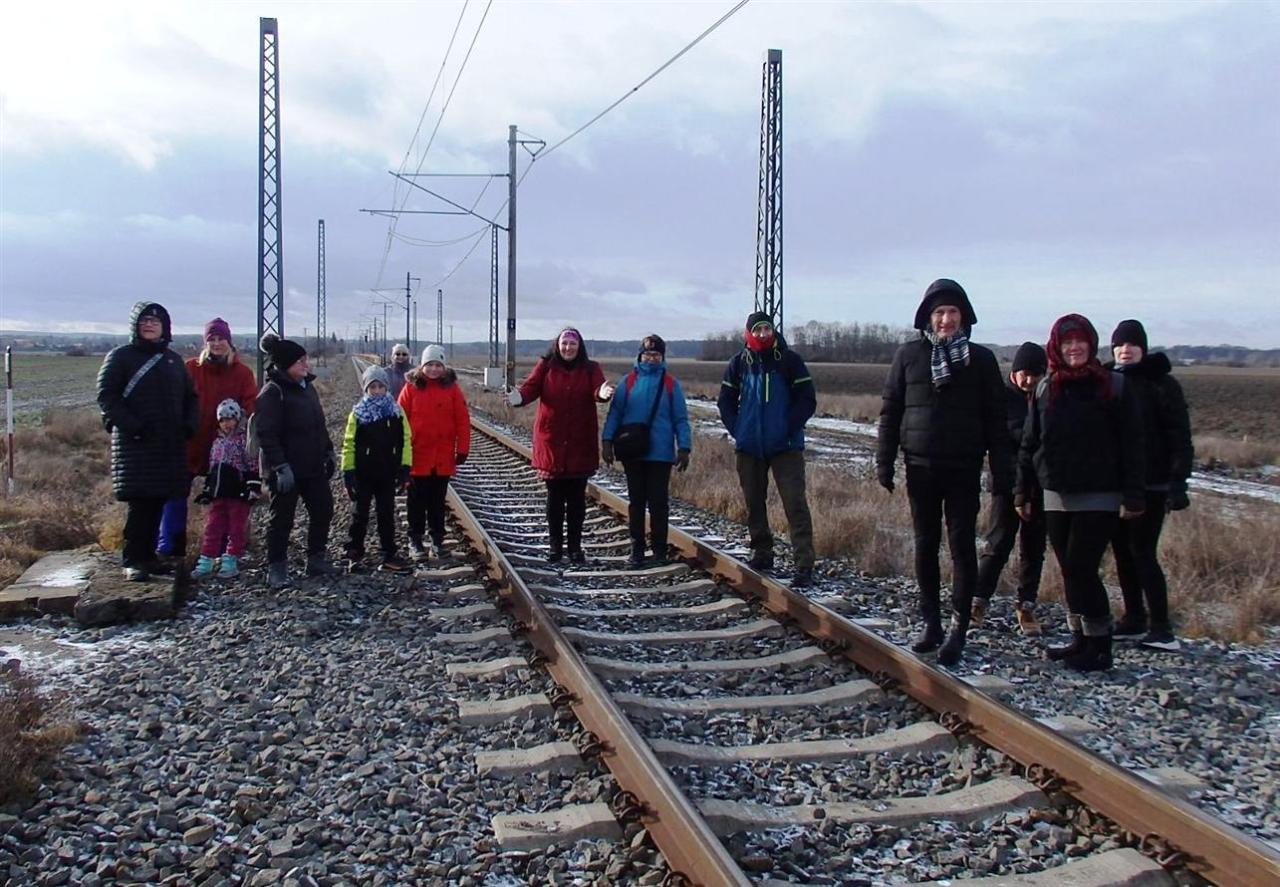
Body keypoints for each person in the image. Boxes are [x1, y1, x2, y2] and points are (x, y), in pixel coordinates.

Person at [876, 279, 1012, 666]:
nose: (946, 319)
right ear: (928, 317)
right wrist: (884, 461)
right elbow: (891, 411)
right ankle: (931, 622)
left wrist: (1002, 472)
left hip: (963, 468)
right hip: (920, 467)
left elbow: (997, 421)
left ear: (964, 317)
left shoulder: (981, 360)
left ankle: (958, 628)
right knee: (925, 544)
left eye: (953, 312)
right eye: (939, 313)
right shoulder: (908, 355)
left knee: (961, 547)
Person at [1017, 314, 1145, 672]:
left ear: (1091, 344)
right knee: (1069, 570)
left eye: (1080, 341)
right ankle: (1080, 639)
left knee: (1082, 568)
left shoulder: (1114, 386)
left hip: (1100, 493)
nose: (1074, 348)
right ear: (1056, 347)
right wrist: (1022, 491)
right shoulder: (1046, 388)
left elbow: (1133, 444)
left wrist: (1134, 495)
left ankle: (1100, 647)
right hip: (1055, 493)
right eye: (1067, 342)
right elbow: (1030, 442)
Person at [1106, 319, 1193, 651]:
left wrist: (1177, 482)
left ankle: (1161, 626)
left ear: (1142, 348)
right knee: (1122, 553)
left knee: (1142, 552)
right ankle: (1133, 618)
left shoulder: (1161, 384)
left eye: (1132, 345)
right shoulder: (1107, 381)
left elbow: (1179, 436)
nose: (1125, 350)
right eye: (1120, 345)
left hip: (1152, 483)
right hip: (1114, 484)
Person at [95, 301, 198, 581]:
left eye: (155, 321)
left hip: (168, 444)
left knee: (158, 501)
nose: (150, 325)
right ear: (135, 326)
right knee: (140, 504)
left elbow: (190, 397)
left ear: (165, 327)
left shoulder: (173, 360)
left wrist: (189, 425)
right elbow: (107, 397)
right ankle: (133, 560)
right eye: (144, 321)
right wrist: (135, 427)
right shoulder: (121, 357)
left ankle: (149, 558)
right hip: (136, 445)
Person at [717, 311, 818, 586]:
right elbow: (725, 401)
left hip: (786, 446)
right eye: (757, 330)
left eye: (767, 329)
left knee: (795, 504)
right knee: (753, 502)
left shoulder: (789, 361)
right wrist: (739, 430)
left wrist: (788, 427)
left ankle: (804, 563)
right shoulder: (739, 363)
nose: (763, 334)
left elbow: (807, 399)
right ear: (748, 333)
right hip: (749, 446)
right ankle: (762, 552)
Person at [508, 328, 613, 564]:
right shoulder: (546, 366)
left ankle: (575, 548)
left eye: (572, 344)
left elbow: (597, 389)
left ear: (579, 346)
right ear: (558, 345)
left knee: (576, 500)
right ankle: (555, 548)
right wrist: (519, 397)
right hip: (552, 442)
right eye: (564, 343)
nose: (568, 348)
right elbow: (531, 387)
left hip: (580, 442)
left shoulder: (591, 368)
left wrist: (603, 393)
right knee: (554, 499)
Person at [159, 317, 258, 559]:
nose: (216, 343)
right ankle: (170, 550)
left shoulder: (242, 373)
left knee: (226, 500)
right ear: (205, 343)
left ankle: (223, 551)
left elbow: (251, 408)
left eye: (221, 338)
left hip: (226, 450)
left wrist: (238, 436)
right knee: (174, 496)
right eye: (211, 339)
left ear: (229, 342)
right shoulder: (191, 368)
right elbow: (173, 401)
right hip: (189, 444)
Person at [971, 342, 1049, 637]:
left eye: (1035, 375)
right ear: (1014, 372)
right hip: (1007, 485)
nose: (1028, 380)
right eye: (1023, 373)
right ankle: (977, 601)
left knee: (1034, 549)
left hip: (1041, 488)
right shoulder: (1001, 399)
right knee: (997, 544)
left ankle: (1026, 605)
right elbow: (1002, 443)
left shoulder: (1048, 399)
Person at [601, 334, 692, 568]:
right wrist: (607, 441)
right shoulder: (628, 382)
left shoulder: (671, 384)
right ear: (640, 356)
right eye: (647, 354)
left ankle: (659, 549)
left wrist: (684, 447)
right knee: (636, 502)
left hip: (661, 454)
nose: (651, 358)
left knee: (659, 503)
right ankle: (637, 548)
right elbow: (615, 414)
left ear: (662, 357)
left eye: (656, 355)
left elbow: (680, 418)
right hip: (633, 452)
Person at [255, 333, 338, 587]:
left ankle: (316, 559)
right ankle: (277, 567)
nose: (306, 364)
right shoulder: (273, 392)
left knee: (323, 509)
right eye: (300, 361)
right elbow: (266, 434)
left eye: (305, 359)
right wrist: (280, 466)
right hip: (286, 468)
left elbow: (319, 425)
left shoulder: (307, 388)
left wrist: (328, 451)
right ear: (286, 364)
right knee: (281, 519)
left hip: (312, 465)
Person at [398, 344, 470, 560]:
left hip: (442, 456)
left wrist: (462, 449)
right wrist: (400, 453)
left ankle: (437, 540)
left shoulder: (452, 389)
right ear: (422, 366)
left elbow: (462, 420)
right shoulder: (410, 388)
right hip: (417, 456)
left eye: (438, 365)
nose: (434, 369)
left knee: (437, 502)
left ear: (444, 367)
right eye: (430, 365)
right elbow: (400, 420)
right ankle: (415, 540)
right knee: (416, 502)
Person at [342, 365, 413, 572]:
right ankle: (354, 552)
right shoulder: (357, 413)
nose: (377, 391)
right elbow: (349, 443)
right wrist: (348, 472)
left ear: (386, 388)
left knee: (386, 514)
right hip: (363, 473)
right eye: (372, 387)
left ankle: (388, 554)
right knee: (359, 514)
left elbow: (405, 441)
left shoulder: (396, 412)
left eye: (380, 387)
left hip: (387, 472)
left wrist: (405, 467)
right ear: (366, 389)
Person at [190, 399, 260, 579]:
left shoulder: (243, 440)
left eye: (230, 419)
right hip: (219, 493)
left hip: (238, 493)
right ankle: (206, 561)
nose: (226, 423)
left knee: (236, 528)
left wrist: (253, 487)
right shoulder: (217, 442)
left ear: (237, 419)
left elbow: (252, 464)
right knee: (212, 527)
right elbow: (213, 468)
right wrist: (208, 490)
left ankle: (230, 561)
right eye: (222, 420)